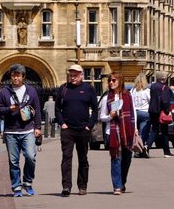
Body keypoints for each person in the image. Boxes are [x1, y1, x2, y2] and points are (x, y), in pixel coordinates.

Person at [0, 64, 42, 197]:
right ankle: (16, 186)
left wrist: (38, 127)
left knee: (30, 157)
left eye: (18, 75)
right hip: (11, 131)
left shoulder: (31, 91)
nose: (15, 78)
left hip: (27, 129)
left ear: (23, 77)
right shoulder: (5, 91)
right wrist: (8, 109)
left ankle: (27, 182)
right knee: (13, 161)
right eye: (13, 75)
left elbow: (37, 109)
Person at [56, 64, 98, 196]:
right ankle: (66, 186)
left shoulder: (88, 89)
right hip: (67, 129)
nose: (73, 78)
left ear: (81, 76)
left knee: (83, 158)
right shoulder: (64, 88)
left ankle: (82, 185)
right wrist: (62, 123)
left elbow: (95, 109)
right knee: (66, 158)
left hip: (83, 129)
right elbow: (57, 108)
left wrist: (89, 126)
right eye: (71, 76)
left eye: (75, 76)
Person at [99, 73, 135, 194]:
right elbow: (102, 117)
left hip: (127, 131)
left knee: (127, 159)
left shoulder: (128, 96)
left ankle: (122, 182)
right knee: (116, 159)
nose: (111, 82)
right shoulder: (106, 98)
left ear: (120, 81)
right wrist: (110, 116)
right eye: (109, 80)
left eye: (114, 80)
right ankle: (117, 186)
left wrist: (135, 130)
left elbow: (133, 113)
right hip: (112, 132)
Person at [147, 71, 173, 158]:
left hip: (152, 110)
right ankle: (166, 152)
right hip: (161, 111)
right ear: (164, 78)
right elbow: (165, 101)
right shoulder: (164, 87)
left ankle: (147, 146)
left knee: (154, 130)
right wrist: (167, 111)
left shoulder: (153, 86)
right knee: (164, 132)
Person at [131, 74, 150, 157]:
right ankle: (141, 148)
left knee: (136, 132)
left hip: (135, 113)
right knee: (143, 131)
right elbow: (150, 101)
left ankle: (136, 148)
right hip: (144, 113)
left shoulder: (133, 91)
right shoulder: (147, 91)